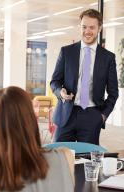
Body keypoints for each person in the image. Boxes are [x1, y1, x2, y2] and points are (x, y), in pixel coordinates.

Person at [50, 9, 118, 145]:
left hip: (92, 115)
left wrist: (102, 116)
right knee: (58, 156)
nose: (87, 31)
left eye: (92, 27)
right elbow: (55, 81)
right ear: (79, 27)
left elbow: (113, 92)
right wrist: (60, 93)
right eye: (84, 27)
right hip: (66, 113)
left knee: (87, 161)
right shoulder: (66, 52)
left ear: (99, 28)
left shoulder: (108, 57)